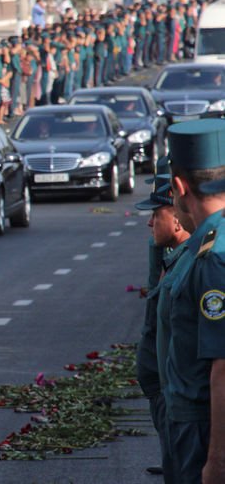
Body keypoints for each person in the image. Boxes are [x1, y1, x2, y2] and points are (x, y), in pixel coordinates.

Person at [159, 119, 225, 482]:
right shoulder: (208, 240)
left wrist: (217, 461)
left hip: (201, 428)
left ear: (180, 186)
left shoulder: (215, 254)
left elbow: (223, 365)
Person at [135, 157, 190, 480]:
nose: (149, 223)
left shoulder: (196, 263)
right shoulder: (173, 259)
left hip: (175, 395)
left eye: (157, 215)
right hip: (163, 390)